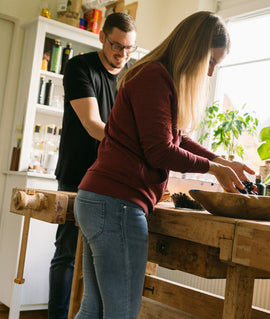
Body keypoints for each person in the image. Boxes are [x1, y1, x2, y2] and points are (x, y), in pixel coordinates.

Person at [73, 11, 254, 318]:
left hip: (102, 200)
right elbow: (160, 151)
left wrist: (220, 160)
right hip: (118, 205)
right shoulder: (154, 77)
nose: (210, 73)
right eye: (210, 61)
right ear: (194, 52)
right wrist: (214, 170)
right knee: (121, 312)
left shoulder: (156, 76)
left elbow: (178, 139)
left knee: (94, 310)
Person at [49, 13, 137, 319]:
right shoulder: (79, 67)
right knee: (67, 255)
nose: (122, 54)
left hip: (114, 183)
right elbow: (92, 124)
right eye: (116, 45)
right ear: (102, 37)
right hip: (77, 174)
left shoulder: (132, 77)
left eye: (128, 49)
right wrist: (135, 147)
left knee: (103, 263)